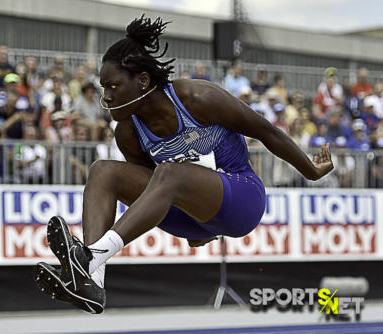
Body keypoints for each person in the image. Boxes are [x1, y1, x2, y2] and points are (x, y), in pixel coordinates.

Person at [34, 16, 334, 314]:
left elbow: (266, 132)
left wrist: (311, 170)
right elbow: (152, 189)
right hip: (191, 216)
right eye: (103, 88)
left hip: (242, 199)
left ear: (142, 81)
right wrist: (197, 226)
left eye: (113, 86)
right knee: (103, 171)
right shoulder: (127, 131)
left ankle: (90, 258)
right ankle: (91, 280)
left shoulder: (198, 98)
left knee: (169, 172)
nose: (106, 97)